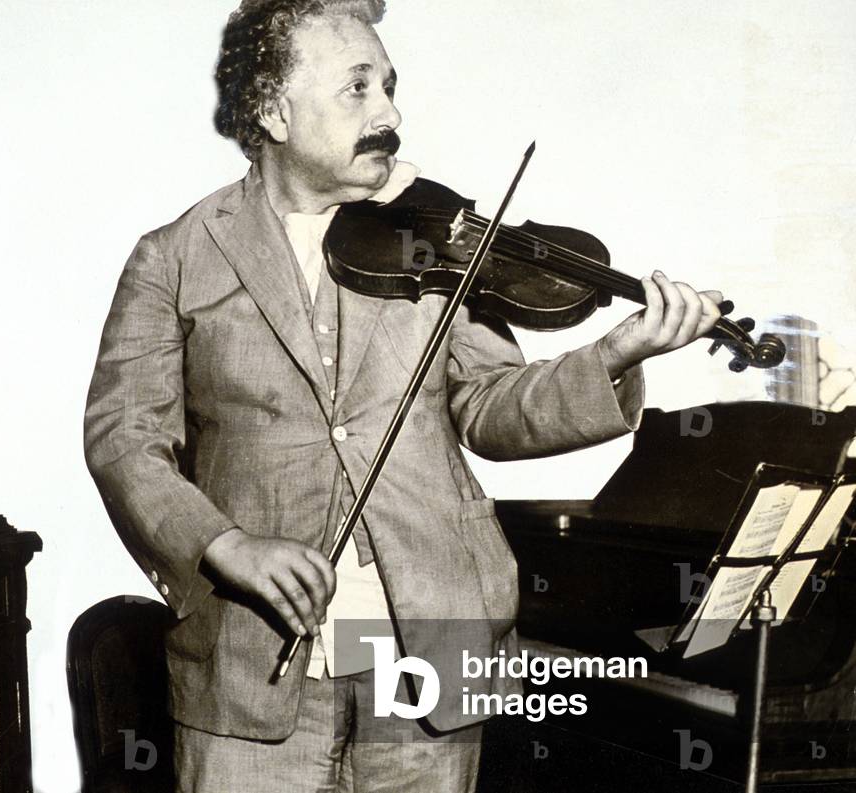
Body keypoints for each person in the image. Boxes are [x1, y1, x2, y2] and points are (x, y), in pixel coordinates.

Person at [83, 1, 723, 790]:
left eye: (389, 86)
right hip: (251, 667)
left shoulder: (431, 237)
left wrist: (614, 353)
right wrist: (226, 545)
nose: (389, 113)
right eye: (357, 89)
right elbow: (123, 440)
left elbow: (489, 406)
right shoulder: (173, 257)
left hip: (433, 653)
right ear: (272, 109)